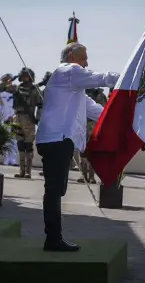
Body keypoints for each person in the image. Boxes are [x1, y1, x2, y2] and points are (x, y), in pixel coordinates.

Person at [36, 42, 119, 251]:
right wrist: (130, 78)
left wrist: (123, 119)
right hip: (56, 141)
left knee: (57, 190)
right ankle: (53, 239)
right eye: (84, 58)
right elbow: (101, 78)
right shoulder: (68, 71)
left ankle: (54, 237)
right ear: (72, 57)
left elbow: (95, 110)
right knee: (54, 191)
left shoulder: (72, 86)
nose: (86, 63)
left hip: (58, 141)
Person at [13, 67, 41, 178]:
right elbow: (1, 86)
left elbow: (40, 105)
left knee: (28, 145)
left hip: (29, 119)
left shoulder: (35, 90)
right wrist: (14, 77)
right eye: (23, 76)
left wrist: (38, 118)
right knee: (20, 145)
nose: (25, 78)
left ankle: (28, 171)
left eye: (26, 76)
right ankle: (22, 171)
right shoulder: (17, 88)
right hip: (18, 117)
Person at [77, 88, 107, 184]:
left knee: (91, 152)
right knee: (83, 152)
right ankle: (85, 176)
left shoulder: (99, 95)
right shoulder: (81, 94)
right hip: (84, 125)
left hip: (93, 126)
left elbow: (104, 111)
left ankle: (91, 177)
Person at [0, 78, 18, 166]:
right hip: (5, 120)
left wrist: (13, 116)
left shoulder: (16, 95)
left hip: (14, 120)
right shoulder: (0, 95)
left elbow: (17, 107)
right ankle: (6, 159)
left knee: (14, 141)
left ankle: (13, 160)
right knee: (6, 141)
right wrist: (6, 117)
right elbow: (0, 108)